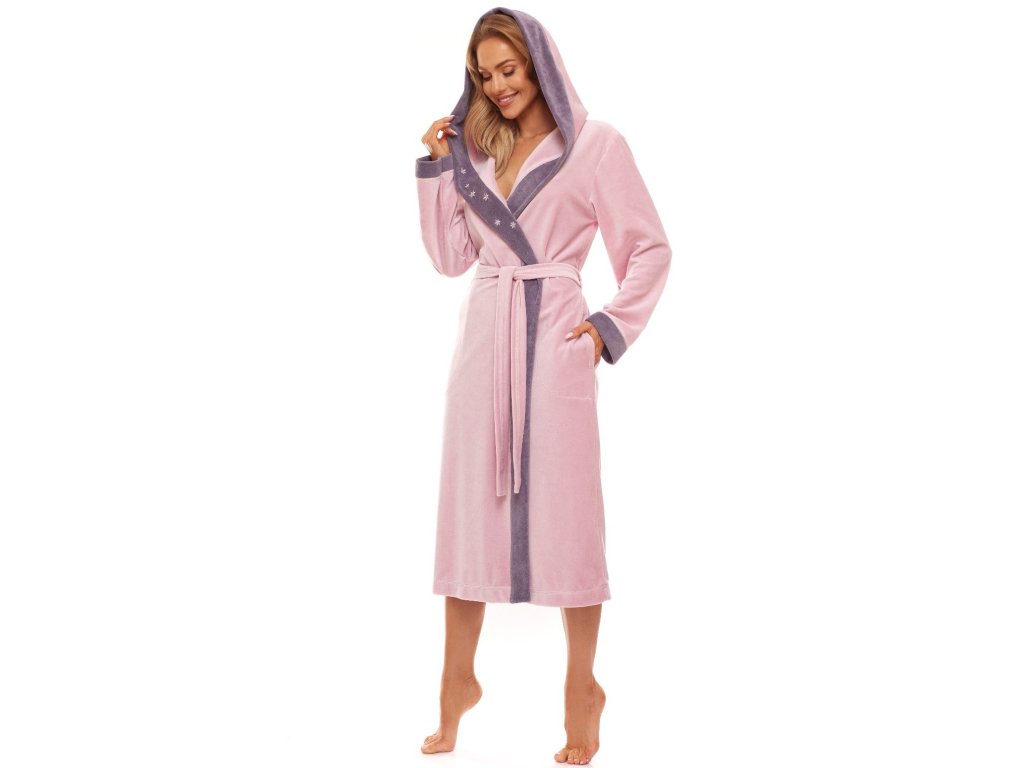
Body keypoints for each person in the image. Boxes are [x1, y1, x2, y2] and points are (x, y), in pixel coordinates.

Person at [415, 7, 672, 765]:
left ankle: (581, 687)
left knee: (570, 515)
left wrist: (605, 329)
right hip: (485, 342)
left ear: (540, 65)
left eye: (510, 69)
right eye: (484, 75)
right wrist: (438, 167)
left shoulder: (597, 145)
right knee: (469, 508)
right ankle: (456, 680)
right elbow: (450, 258)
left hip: (557, 343)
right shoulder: (476, 153)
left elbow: (649, 249)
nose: (498, 86)